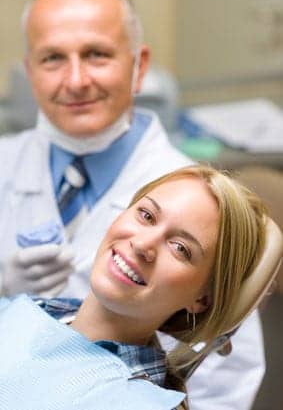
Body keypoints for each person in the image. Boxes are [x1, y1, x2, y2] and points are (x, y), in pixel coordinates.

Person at [0, 0, 265, 409]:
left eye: (96, 54)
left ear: (139, 66)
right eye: (52, 58)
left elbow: (223, 387)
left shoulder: (204, 207)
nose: (75, 80)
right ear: (30, 73)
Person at [0, 165, 268, 410]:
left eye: (180, 248)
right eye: (147, 215)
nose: (142, 245)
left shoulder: (136, 402)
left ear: (202, 299)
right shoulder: (32, 311)